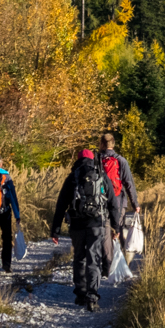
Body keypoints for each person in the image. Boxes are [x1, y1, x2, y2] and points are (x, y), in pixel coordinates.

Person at [50, 149, 122, 312]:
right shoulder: (101, 175)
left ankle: (81, 294)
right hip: (96, 223)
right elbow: (113, 203)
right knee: (94, 257)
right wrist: (116, 226)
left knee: (79, 257)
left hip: (76, 224)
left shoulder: (72, 177)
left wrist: (55, 230)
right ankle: (92, 296)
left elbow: (61, 205)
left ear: (78, 159)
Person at [98, 133, 140, 263]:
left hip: (100, 200)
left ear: (102, 144)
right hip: (118, 200)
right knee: (118, 229)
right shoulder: (121, 160)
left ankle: (106, 261)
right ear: (113, 144)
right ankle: (120, 261)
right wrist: (135, 204)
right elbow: (129, 183)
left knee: (104, 229)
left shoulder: (96, 159)